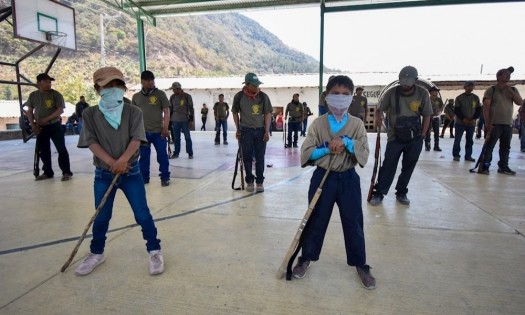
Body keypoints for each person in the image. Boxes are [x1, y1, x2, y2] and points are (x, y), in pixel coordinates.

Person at [75, 66, 164, 276]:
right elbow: (91, 142)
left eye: (117, 85)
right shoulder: (90, 114)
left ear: (123, 88)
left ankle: (154, 249)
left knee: (142, 214)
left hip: (131, 172)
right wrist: (112, 162)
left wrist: (123, 160)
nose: (113, 89)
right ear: (98, 89)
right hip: (103, 175)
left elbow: (136, 138)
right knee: (102, 215)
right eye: (108, 85)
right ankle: (97, 253)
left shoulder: (133, 111)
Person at [293, 75, 375, 289]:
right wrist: (327, 148)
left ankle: (360, 263)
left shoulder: (357, 125)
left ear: (351, 98)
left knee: (353, 222)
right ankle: (306, 258)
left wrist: (347, 143)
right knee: (315, 219)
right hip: (323, 178)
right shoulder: (318, 124)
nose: (340, 98)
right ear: (327, 97)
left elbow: (364, 153)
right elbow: (307, 153)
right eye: (335, 94)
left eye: (345, 95)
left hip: (348, 179)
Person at [369, 66, 432, 206]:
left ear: (415, 80)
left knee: (408, 166)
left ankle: (401, 192)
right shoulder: (391, 93)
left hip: (415, 137)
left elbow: (427, 115)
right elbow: (379, 110)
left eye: (408, 82)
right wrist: (378, 118)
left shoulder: (422, 93)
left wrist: (422, 135)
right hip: (394, 137)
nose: (405, 85)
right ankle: (379, 193)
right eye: (403, 81)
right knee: (388, 165)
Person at [26, 73, 73, 181]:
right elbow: (29, 110)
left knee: (61, 149)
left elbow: (60, 110)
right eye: (46, 81)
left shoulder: (55, 94)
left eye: (49, 82)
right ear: (39, 83)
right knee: (43, 150)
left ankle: (66, 172)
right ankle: (48, 172)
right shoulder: (33, 95)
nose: (48, 84)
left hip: (54, 125)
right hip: (40, 128)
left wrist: (46, 120)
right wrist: (33, 125)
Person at [232, 72, 273, 192]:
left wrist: (267, 130)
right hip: (246, 131)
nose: (256, 87)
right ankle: (249, 181)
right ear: (247, 84)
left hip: (260, 130)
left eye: (257, 85)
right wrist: (237, 129)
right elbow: (235, 112)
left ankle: (259, 181)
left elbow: (268, 113)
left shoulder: (263, 96)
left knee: (260, 158)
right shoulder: (239, 96)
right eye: (254, 85)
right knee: (247, 157)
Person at [480, 66, 523, 175]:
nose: (508, 76)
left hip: (507, 124)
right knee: (490, 146)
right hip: (494, 124)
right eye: (505, 74)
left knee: (505, 147)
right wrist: (487, 123)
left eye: (509, 74)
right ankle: (485, 166)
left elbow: (519, 102)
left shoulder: (513, 89)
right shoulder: (492, 90)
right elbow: (486, 107)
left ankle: (503, 166)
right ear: (498, 76)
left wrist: (510, 91)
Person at [132, 70, 171, 186]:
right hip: (142, 133)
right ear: (142, 81)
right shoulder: (136, 97)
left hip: (158, 132)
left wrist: (165, 128)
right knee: (143, 157)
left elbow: (166, 111)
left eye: (152, 80)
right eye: (147, 80)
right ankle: (144, 178)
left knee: (162, 156)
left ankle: (165, 177)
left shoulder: (160, 94)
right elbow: (133, 115)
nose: (150, 83)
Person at [452, 81, 481, 162]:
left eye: (472, 86)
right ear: (464, 87)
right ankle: (456, 155)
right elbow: (457, 110)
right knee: (457, 139)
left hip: (471, 123)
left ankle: (468, 156)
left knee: (470, 140)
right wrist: (463, 118)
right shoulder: (459, 98)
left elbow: (478, 109)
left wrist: (474, 118)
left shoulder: (476, 98)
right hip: (460, 123)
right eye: (468, 86)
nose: (470, 88)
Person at [169, 81, 194, 159]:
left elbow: (191, 108)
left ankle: (190, 153)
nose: (173, 91)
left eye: (174, 89)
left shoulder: (187, 96)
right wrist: (169, 121)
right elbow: (170, 109)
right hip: (175, 120)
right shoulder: (172, 97)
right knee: (176, 138)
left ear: (178, 88)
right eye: (173, 89)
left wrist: (191, 120)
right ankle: (176, 153)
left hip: (184, 120)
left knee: (187, 137)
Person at [425, 86, 444, 151]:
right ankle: (427, 145)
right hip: (428, 118)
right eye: (434, 91)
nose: (436, 93)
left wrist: (439, 110)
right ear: (430, 92)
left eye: (436, 91)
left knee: (436, 132)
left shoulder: (439, 99)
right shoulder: (427, 99)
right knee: (428, 132)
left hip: (436, 118)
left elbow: (441, 107)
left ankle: (436, 146)